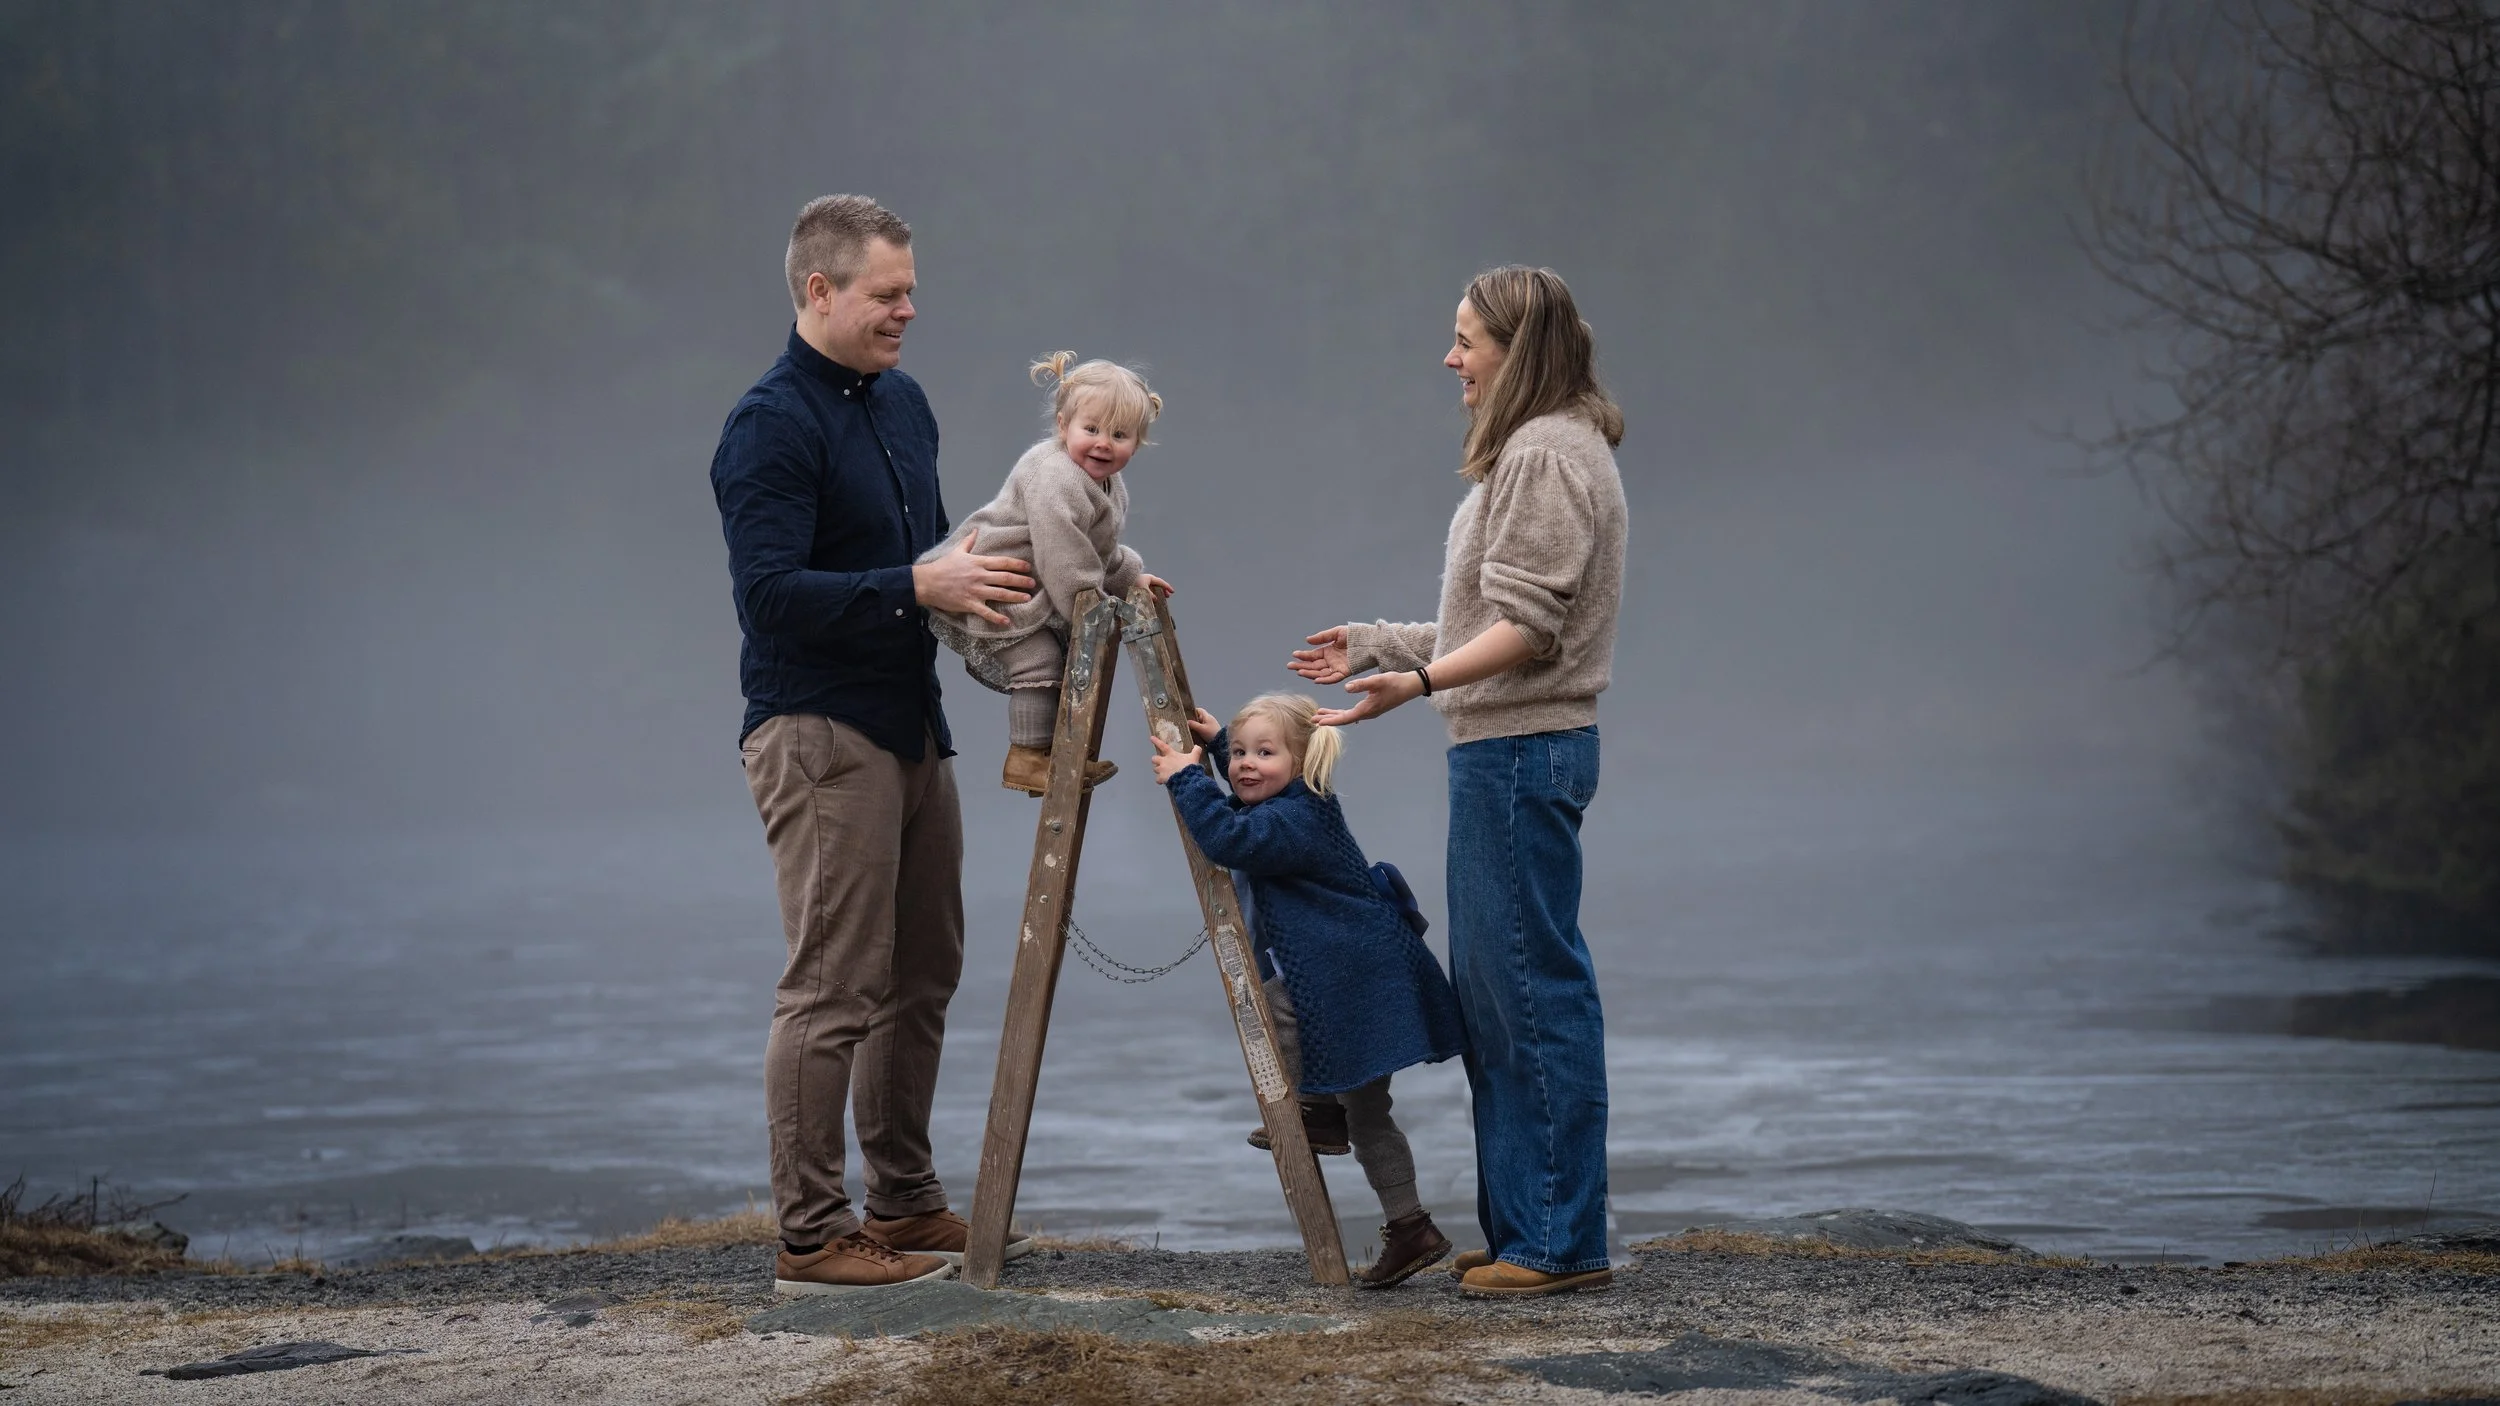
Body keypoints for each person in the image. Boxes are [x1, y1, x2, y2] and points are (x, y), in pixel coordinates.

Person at [709, 194, 1037, 1295]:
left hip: (910, 723)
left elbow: (940, 564)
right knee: (833, 984)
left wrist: (1056, 567)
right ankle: (810, 1235)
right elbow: (768, 597)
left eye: (911, 290)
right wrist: (915, 580)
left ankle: (898, 1202)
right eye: (887, 293)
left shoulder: (905, 407)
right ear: (819, 290)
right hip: (815, 729)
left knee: (923, 970)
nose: (909, 310)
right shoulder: (769, 422)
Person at [1290, 265, 1627, 1298]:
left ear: (1516, 349)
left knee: (1530, 994)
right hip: (1504, 749)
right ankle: (1524, 1228)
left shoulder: (1544, 454)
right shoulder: (1541, 451)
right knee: (1500, 996)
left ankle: (1558, 1244)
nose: (1451, 357)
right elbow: (1503, 618)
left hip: (1520, 750)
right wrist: (1381, 641)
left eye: (1466, 338)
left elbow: (1529, 634)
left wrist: (1415, 681)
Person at [1147, 694, 1468, 1288]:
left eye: (1265, 753)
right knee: (1370, 1115)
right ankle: (1411, 1226)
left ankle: (1317, 1110)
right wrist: (1219, 744)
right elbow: (1250, 801)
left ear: (1303, 762)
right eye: (1240, 753)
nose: (1246, 764)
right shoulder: (1290, 803)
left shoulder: (1294, 820)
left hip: (1359, 977)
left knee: (1276, 1005)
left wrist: (1189, 780)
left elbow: (1229, 838)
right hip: (1355, 974)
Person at [918, 351, 1173, 795]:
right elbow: (1064, 557)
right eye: (1090, 429)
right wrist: (1089, 610)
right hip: (992, 578)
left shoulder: (1107, 486)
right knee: (1037, 659)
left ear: (1139, 441)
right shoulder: (1056, 475)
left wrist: (1128, 577)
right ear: (1062, 426)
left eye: (1120, 435)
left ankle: (1052, 757)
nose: (1103, 443)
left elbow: (1097, 550)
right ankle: (1025, 758)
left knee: (1049, 659)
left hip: (1027, 583)